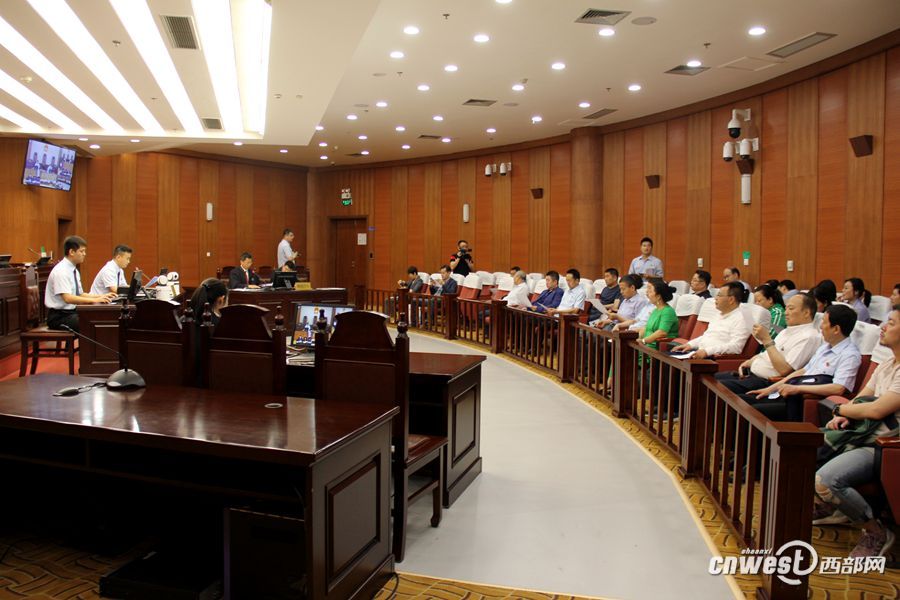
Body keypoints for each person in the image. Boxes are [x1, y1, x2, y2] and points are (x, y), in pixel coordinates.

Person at [812, 304, 900, 558]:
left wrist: (842, 411)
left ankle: (876, 531)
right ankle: (834, 507)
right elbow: (861, 399)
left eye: (891, 323)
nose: (883, 327)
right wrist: (845, 415)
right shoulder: (886, 364)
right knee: (802, 450)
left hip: (884, 445)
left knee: (825, 480)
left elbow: (876, 410)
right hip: (862, 434)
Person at [747, 304, 862, 421]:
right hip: (791, 392)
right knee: (747, 400)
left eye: (824, 322)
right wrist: (770, 389)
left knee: (753, 410)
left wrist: (798, 389)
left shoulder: (849, 355)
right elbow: (803, 371)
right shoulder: (825, 347)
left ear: (836, 329)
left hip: (804, 401)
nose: (820, 326)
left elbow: (838, 388)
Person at [714, 293, 821, 398]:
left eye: (791, 309)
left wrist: (766, 339)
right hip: (750, 374)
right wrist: (750, 361)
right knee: (709, 377)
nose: (786, 313)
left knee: (716, 385)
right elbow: (767, 354)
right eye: (786, 308)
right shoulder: (786, 331)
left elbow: (784, 370)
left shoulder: (809, 337)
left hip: (766, 383)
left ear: (806, 313)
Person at [44, 236, 116, 332]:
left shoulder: (73, 270)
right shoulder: (61, 271)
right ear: (71, 252)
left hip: (71, 313)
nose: (84, 254)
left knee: (99, 318)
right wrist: (94, 300)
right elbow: (68, 298)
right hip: (59, 317)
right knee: (93, 324)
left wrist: (101, 296)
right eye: (82, 251)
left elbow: (80, 294)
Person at [672, 282, 750, 359]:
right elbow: (707, 337)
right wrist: (690, 345)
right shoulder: (718, 314)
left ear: (731, 299)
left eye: (719, 295)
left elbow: (736, 347)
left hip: (714, 359)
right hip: (700, 353)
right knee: (670, 357)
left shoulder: (742, 319)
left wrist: (707, 352)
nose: (715, 298)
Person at [637, 279, 679, 352]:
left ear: (658, 296)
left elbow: (662, 332)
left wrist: (643, 341)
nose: (647, 294)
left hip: (655, 350)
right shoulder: (655, 310)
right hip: (645, 347)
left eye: (650, 291)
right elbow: (647, 329)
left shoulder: (668, 311)